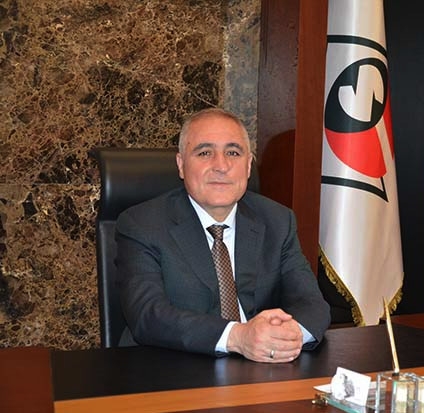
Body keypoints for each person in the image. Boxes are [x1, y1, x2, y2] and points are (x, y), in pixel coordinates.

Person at [115, 107, 331, 362]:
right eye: (205, 153)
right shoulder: (142, 224)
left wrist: (286, 336)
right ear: (181, 165)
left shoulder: (277, 220)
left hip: (262, 371)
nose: (221, 166)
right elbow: (148, 315)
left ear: (248, 166)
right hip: (170, 371)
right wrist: (238, 337)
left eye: (233, 152)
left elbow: (312, 304)